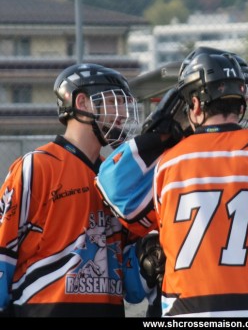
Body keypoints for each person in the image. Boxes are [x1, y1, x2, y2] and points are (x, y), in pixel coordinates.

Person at [96, 50, 248, 317]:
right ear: (241, 104)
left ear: (194, 105)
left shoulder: (169, 162)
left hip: (186, 312)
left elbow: (112, 188)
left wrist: (156, 137)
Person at [0, 63, 149, 317]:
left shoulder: (117, 176)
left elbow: (134, 286)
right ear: (82, 103)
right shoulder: (37, 167)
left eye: (124, 104)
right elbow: (4, 247)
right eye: (113, 102)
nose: (123, 113)